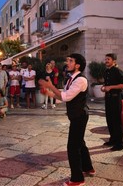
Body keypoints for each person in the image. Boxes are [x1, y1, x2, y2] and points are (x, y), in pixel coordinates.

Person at [39, 53, 94, 186]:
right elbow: (62, 96)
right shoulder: (71, 79)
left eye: (70, 61)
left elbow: (66, 97)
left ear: (77, 65)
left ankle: (77, 179)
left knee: (73, 147)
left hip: (79, 116)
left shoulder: (80, 80)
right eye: (67, 60)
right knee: (80, 142)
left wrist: (50, 86)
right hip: (76, 115)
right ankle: (88, 168)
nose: (67, 62)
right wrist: (49, 92)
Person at [101, 53, 123, 151]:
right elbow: (107, 84)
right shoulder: (106, 71)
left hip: (116, 99)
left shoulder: (118, 71)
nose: (106, 61)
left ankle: (120, 143)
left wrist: (111, 87)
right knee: (110, 120)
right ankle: (112, 140)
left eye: (108, 59)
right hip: (108, 98)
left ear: (114, 61)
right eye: (106, 59)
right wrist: (104, 88)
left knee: (116, 121)